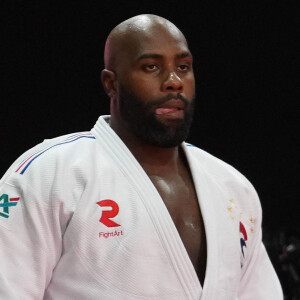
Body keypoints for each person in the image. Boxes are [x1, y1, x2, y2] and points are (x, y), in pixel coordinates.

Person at [0, 14, 283, 300]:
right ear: (111, 83)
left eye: (183, 67)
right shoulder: (48, 173)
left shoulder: (232, 187)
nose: (174, 82)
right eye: (151, 67)